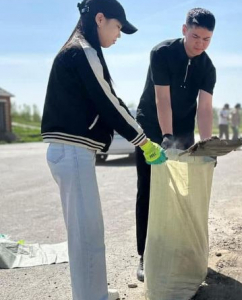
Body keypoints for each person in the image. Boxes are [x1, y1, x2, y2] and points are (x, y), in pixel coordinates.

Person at [41, 1, 166, 299]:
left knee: (88, 232)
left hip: (72, 152)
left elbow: (109, 98)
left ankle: (93, 292)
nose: (119, 35)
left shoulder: (82, 51)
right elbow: (108, 103)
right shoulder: (82, 51)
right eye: (118, 27)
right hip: (71, 152)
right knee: (86, 235)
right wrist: (144, 141)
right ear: (100, 19)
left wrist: (140, 137)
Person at [135, 8, 216, 282]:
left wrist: (206, 144)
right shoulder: (162, 53)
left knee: (183, 190)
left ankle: (178, 249)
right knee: (148, 188)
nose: (200, 44)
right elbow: (162, 99)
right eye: (195, 36)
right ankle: (145, 255)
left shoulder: (208, 68)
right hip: (151, 126)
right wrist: (166, 136)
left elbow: (204, 109)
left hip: (182, 128)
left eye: (207, 39)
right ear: (184, 30)